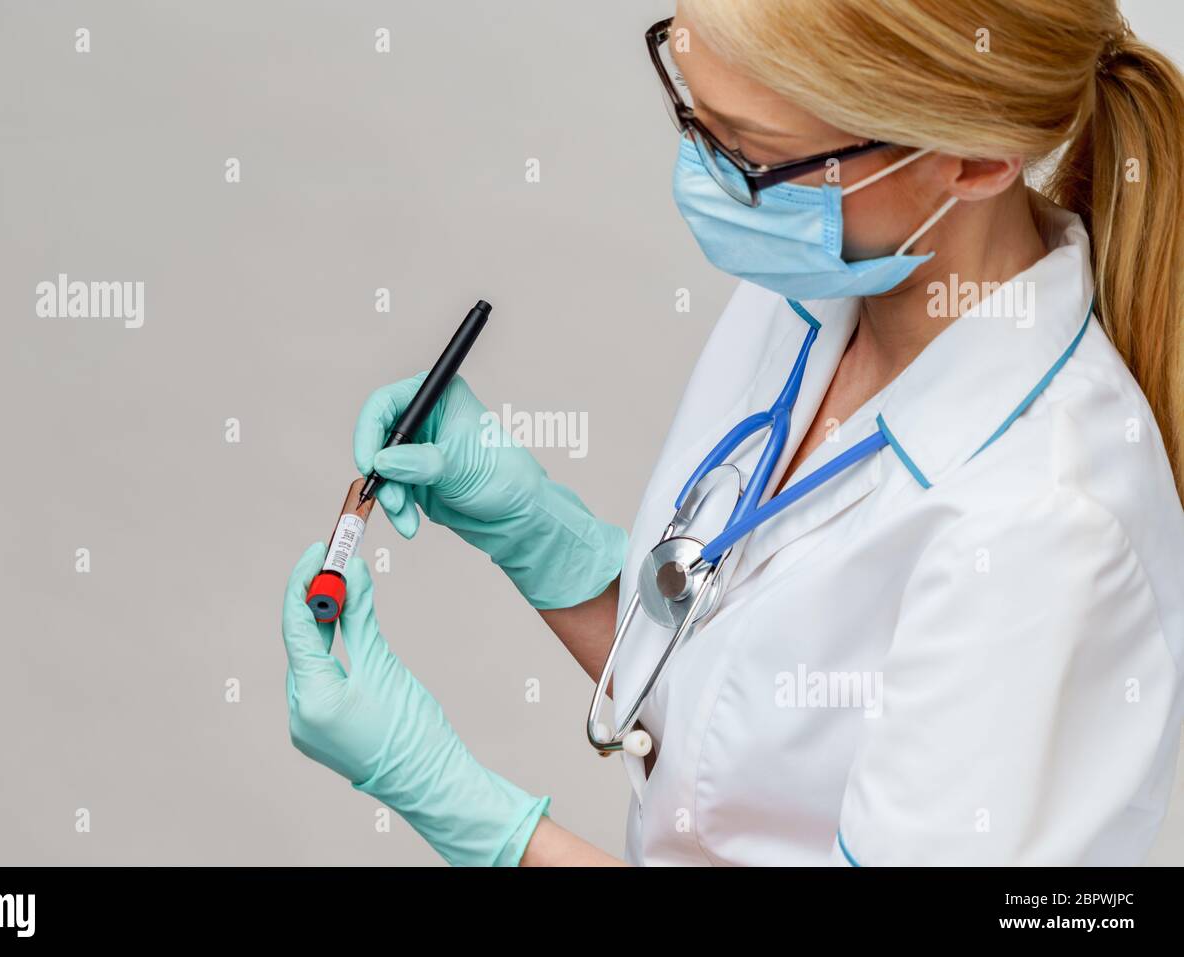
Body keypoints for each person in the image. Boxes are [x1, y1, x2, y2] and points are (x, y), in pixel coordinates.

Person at [282, 0, 1184, 865]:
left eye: (752, 156)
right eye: (695, 116)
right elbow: (740, 708)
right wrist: (535, 535)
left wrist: (467, 810)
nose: (708, 180)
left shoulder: (1050, 528)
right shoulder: (815, 285)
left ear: (978, 158)